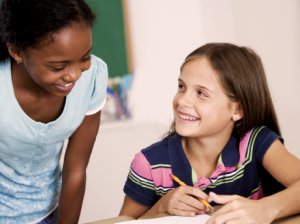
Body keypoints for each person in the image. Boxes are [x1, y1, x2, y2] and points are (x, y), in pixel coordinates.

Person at [119, 43, 300, 223]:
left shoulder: (257, 143)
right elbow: (124, 221)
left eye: (201, 93)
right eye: (182, 86)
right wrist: (161, 209)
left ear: (237, 110)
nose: (182, 100)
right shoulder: (150, 164)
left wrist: (265, 210)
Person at [0, 0, 108, 223]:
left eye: (84, 58)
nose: (75, 75)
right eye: (57, 67)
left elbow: (75, 170)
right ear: (17, 51)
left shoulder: (93, 77)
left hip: (51, 212)